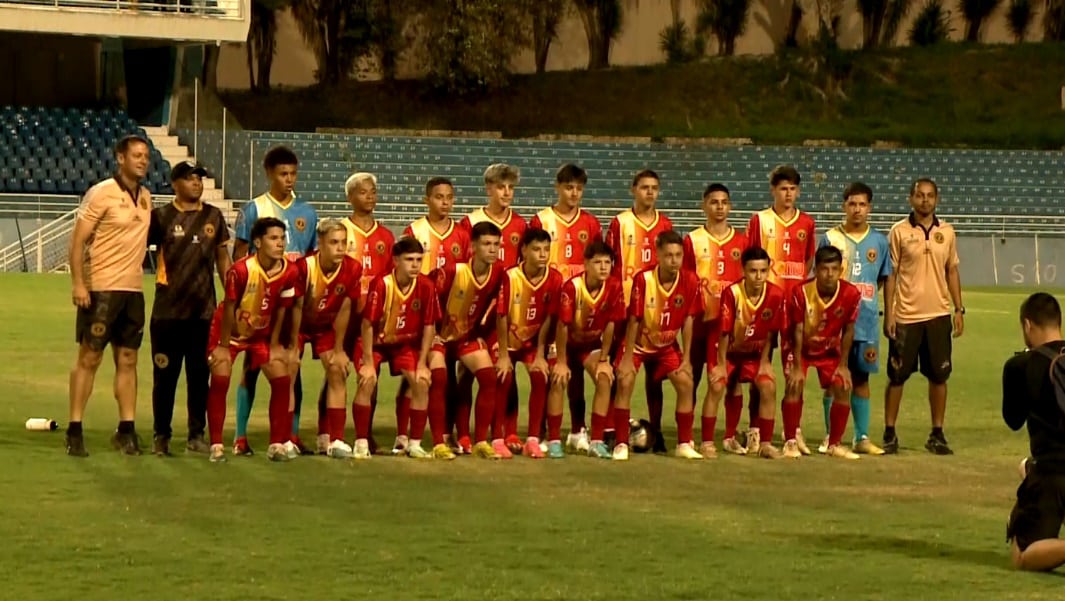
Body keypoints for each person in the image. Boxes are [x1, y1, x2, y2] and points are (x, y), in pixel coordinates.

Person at [65, 134, 153, 457]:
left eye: (146, 156)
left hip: (133, 292)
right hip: (101, 289)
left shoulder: (146, 197)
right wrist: (78, 283)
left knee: (128, 360)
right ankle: (75, 429)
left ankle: (126, 429)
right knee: (89, 358)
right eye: (137, 155)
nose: (143, 161)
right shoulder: (101, 193)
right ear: (120, 158)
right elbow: (77, 242)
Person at [232, 145, 318, 456]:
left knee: (292, 367)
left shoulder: (307, 213)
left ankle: (290, 436)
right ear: (269, 174)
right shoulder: (253, 209)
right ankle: (240, 437)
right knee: (251, 368)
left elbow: (310, 262)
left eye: (293, 173)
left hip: (293, 304)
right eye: (283, 174)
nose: (289, 179)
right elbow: (239, 257)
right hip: (258, 308)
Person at [148, 160, 231, 456]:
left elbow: (222, 258)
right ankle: (162, 435)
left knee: (199, 377)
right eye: (190, 178)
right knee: (165, 378)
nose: (197, 182)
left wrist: (231, 290)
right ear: (175, 184)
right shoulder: (160, 217)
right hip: (167, 313)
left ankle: (196, 434)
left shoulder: (213, 216)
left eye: (200, 178)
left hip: (203, 313)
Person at [204, 217, 303, 463]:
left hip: (261, 335)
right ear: (258, 242)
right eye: (273, 238)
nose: (280, 243)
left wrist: (275, 344)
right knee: (221, 377)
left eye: (282, 238)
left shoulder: (290, 271)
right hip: (230, 333)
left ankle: (276, 445)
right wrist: (224, 347)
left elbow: (282, 308)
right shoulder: (241, 270)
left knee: (281, 379)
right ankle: (216, 445)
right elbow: (229, 308)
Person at [883, 178, 964, 455]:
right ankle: (890, 432)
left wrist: (959, 308)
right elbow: (890, 274)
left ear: (936, 199)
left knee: (939, 377)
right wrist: (890, 313)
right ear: (911, 199)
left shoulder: (948, 232)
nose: (925, 200)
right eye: (920, 195)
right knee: (897, 376)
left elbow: (952, 270)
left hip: (939, 315)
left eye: (930, 196)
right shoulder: (898, 231)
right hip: (906, 315)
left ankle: (937, 433)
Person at [530, 163, 604, 453]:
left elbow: (598, 264)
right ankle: (550, 432)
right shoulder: (541, 220)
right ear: (558, 187)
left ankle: (578, 429)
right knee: (554, 373)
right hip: (552, 308)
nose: (574, 193)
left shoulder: (591, 224)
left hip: (584, 311)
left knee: (577, 371)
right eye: (569, 187)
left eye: (578, 188)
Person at [746, 165, 816, 453]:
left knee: (794, 370)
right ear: (773, 190)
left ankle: (792, 431)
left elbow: (808, 261)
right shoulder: (759, 221)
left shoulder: (807, 223)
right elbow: (750, 260)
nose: (788, 194)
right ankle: (753, 431)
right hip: (764, 306)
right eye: (783, 188)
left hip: (794, 308)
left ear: (798, 191)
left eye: (792, 189)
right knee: (757, 370)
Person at [614, 231, 701, 461]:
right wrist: (626, 357)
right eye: (669, 255)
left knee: (685, 383)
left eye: (678, 255)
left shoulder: (690, 280)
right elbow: (633, 319)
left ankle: (684, 443)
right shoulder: (644, 280)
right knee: (625, 381)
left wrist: (686, 359)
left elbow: (689, 320)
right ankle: (621, 443)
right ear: (658, 255)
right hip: (639, 344)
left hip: (666, 346)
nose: (674, 260)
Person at [819, 182, 891, 455]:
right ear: (844, 206)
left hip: (867, 322)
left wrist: (887, 314)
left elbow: (884, 279)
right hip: (835, 324)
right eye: (852, 204)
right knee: (834, 379)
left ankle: (861, 437)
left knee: (861, 380)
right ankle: (830, 436)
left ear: (869, 208)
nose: (857, 209)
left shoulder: (879, 242)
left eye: (862, 204)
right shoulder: (830, 239)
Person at [605, 169, 675, 452]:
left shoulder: (665, 224)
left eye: (654, 188)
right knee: (618, 371)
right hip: (624, 308)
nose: (650, 192)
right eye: (644, 187)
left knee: (655, 373)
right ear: (633, 189)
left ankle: (656, 429)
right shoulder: (620, 223)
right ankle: (611, 428)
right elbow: (610, 265)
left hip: (656, 311)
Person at [460, 163, 527, 452]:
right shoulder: (470, 221)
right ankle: (463, 433)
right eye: (501, 187)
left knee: (505, 367)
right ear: (488, 189)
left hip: (507, 308)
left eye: (511, 188)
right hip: (474, 309)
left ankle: (506, 431)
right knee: (465, 373)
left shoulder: (522, 225)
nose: (507, 193)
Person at [354, 237, 440, 459]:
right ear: (395, 261)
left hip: (404, 344)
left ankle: (414, 444)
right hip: (375, 344)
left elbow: (430, 326)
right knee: (368, 381)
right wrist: (368, 363)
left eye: (419, 260)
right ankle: (361, 442)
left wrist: (422, 364)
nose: (415, 265)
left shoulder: (427, 286)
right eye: (409, 259)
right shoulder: (382, 284)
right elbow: (367, 324)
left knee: (421, 381)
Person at [403, 176, 471, 452]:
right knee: (424, 375)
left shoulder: (463, 235)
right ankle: (418, 433)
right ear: (427, 200)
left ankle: (450, 433)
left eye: (449, 197)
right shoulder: (415, 230)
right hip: (424, 318)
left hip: (455, 318)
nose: (445, 202)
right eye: (439, 197)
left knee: (452, 377)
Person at [430, 222, 506, 458]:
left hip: (465, 338)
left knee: (488, 376)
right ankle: (438, 442)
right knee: (440, 377)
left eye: (496, 244)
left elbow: (498, 311)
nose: (492, 249)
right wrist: (430, 335)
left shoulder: (499, 273)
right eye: (486, 244)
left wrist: (491, 343)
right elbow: (427, 297)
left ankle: (481, 440)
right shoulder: (452, 271)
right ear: (473, 246)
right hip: (439, 336)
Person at [683, 183, 748, 458]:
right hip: (699, 320)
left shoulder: (743, 242)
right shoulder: (692, 240)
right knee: (693, 379)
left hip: (731, 326)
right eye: (713, 202)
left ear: (730, 206)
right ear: (704, 206)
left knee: (731, 380)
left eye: (724, 202)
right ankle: (689, 437)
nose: (719, 207)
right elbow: (685, 282)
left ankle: (730, 435)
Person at [1003, 292, 1065, 572]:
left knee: (1023, 556)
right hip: (1048, 470)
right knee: (1026, 468)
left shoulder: (1020, 366)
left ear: (1028, 325)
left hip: (1054, 472)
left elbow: (1013, 420)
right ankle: (1029, 470)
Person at [782, 246, 862, 460]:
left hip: (828, 350)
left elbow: (849, 330)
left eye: (834, 269)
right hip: (799, 348)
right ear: (815, 270)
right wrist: (798, 366)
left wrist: (844, 366)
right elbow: (797, 329)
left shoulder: (851, 293)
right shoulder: (800, 292)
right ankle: (790, 441)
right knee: (794, 384)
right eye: (824, 269)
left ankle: (834, 444)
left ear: (840, 270)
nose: (829, 274)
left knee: (843, 386)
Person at [339, 172, 396, 454]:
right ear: (350, 197)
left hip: (372, 320)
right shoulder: (340, 232)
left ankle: (366, 433)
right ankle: (331, 433)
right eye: (363, 192)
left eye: (373, 191)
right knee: (336, 373)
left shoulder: (386, 235)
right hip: (343, 317)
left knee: (371, 376)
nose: (370, 196)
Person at [494, 228, 564, 458]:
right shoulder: (510, 276)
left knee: (541, 375)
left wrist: (541, 353)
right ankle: (500, 436)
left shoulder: (554, 278)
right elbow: (501, 316)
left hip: (533, 344)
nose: (542, 254)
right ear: (523, 250)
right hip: (505, 341)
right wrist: (503, 354)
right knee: (504, 375)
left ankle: (533, 438)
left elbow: (549, 318)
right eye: (536, 249)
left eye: (546, 249)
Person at [295, 219, 362, 459]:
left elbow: (345, 308)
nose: (340, 248)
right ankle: (285, 439)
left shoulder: (353, 268)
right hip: (299, 326)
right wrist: (293, 344)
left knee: (337, 369)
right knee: (288, 370)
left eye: (344, 242)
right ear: (320, 244)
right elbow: (295, 308)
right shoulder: (304, 268)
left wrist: (339, 349)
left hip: (325, 328)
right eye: (334, 242)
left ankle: (335, 440)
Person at [712, 247, 786, 459]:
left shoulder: (775, 294)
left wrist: (765, 362)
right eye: (753, 270)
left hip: (755, 355)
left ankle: (765, 443)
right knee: (720, 385)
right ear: (743, 269)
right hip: (730, 352)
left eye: (763, 270)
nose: (759, 276)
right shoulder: (732, 293)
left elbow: (772, 333)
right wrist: (720, 363)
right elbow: (724, 332)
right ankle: (724, 438)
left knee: (768, 386)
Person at [553, 241, 625, 459]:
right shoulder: (572, 287)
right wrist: (562, 360)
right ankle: (555, 439)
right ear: (585, 264)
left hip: (590, 345)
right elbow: (563, 325)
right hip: (567, 344)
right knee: (559, 379)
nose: (603, 267)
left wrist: (604, 358)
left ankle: (596, 440)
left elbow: (612, 323)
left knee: (605, 377)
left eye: (607, 262)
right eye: (597, 262)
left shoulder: (613, 286)